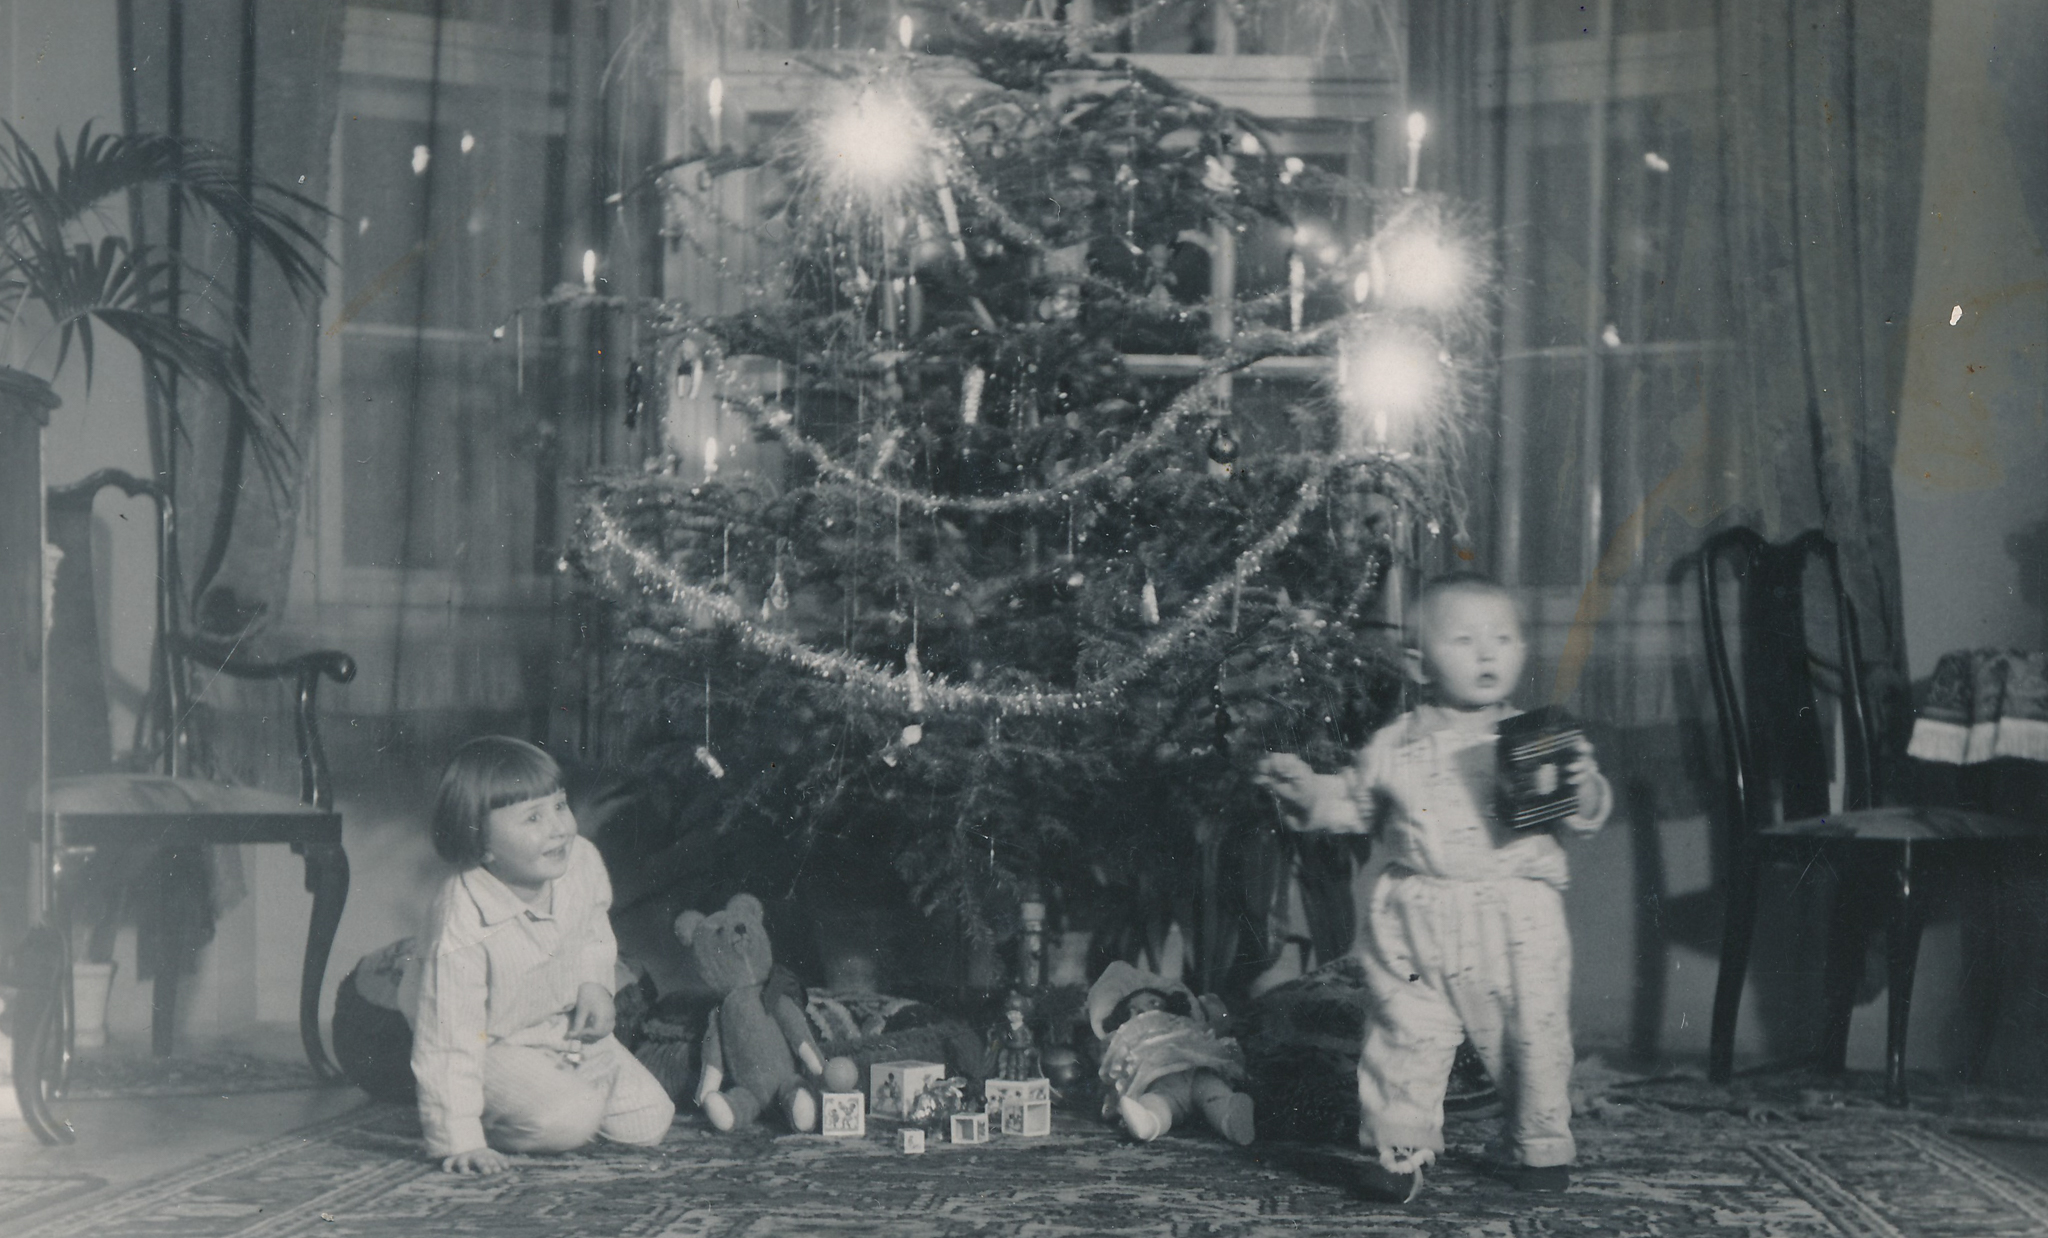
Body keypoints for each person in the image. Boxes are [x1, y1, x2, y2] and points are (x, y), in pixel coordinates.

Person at [1254, 573, 1610, 1202]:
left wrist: (1581, 788)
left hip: (1517, 913)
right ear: (1419, 665)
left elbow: (1582, 812)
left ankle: (1539, 1147)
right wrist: (1310, 792)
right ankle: (1400, 1153)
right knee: (1403, 1030)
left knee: (1534, 1033)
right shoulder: (1396, 744)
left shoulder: (1537, 738)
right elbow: (1356, 802)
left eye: (1503, 638)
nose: (1487, 652)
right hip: (1416, 914)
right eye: (1465, 640)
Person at [402, 736, 675, 1175]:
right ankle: (478, 1115)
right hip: (491, 1044)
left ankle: (555, 1094)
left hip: (557, 1026)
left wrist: (593, 983)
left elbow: (592, 927)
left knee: (649, 1120)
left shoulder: (580, 861)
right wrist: (460, 1139)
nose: (559, 828)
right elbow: (448, 1038)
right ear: (481, 844)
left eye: (560, 806)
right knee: (570, 1121)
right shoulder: (460, 918)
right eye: (533, 817)